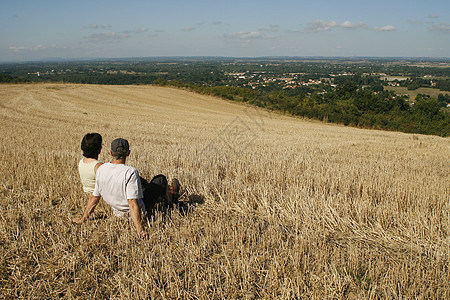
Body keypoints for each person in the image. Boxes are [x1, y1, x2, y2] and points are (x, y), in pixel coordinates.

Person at [73, 138, 180, 239]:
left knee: (140, 181)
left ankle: (162, 196)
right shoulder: (130, 172)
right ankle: (171, 198)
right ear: (128, 153)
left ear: (111, 152)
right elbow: (132, 203)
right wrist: (139, 229)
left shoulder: (101, 169)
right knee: (160, 179)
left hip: (118, 213)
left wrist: (83, 218)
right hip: (138, 212)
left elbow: (94, 197)